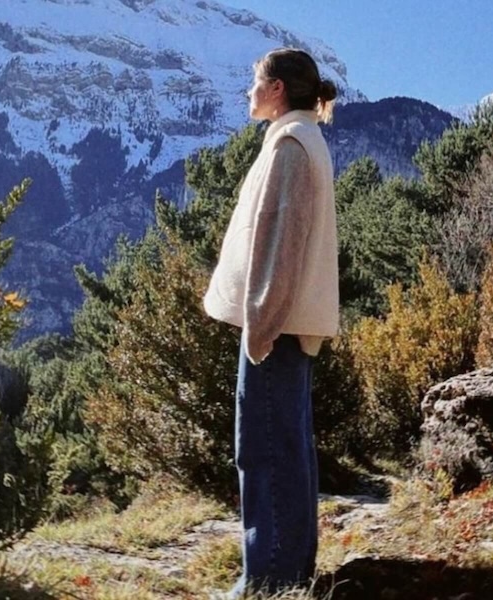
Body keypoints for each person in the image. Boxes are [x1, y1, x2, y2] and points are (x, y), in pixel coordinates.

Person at [202, 47, 340, 598]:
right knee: (288, 443)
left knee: (263, 448)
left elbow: (282, 245)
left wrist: (260, 325)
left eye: (255, 81)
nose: (249, 91)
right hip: (285, 324)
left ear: (277, 88)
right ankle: (289, 573)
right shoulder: (301, 138)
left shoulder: (291, 145)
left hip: (275, 327)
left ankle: (267, 581)